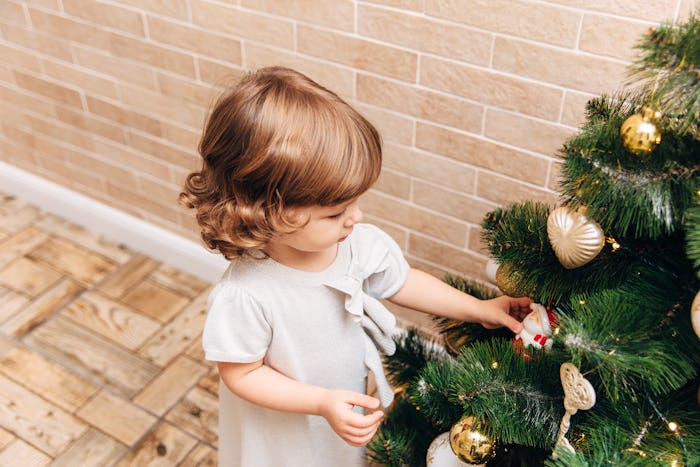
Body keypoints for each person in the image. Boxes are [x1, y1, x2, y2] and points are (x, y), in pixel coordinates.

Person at [180, 66, 531, 467]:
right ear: (266, 210)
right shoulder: (247, 294)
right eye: (335, 213)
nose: (356, 217)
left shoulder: (356, 243)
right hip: (282, 426)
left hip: (340, 404)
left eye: (355, 202)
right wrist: (320, 402)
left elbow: (401, 281)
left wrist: (479, 308)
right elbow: (241, 374)